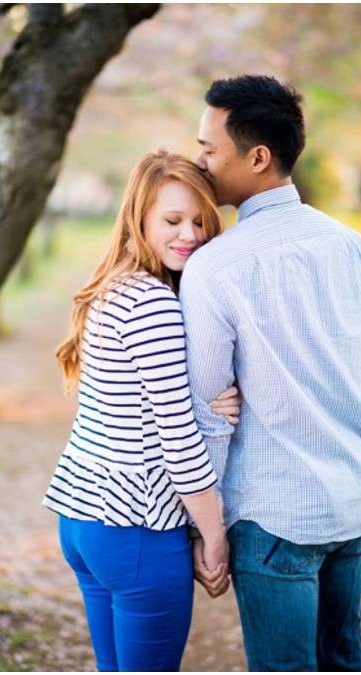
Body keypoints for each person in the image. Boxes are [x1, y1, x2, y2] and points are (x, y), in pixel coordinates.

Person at [178, 75, 361, 671]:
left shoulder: (214, 266)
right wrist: (338, 427)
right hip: (349, 504)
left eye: (209, 148)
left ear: (257, 157)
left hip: (270, 515)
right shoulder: (349, 243)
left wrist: (208, 529)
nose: (198, 160)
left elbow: (207, 405)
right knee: (343, 657)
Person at [43, 149, 242, 671]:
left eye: (200, 221)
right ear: (139, 218)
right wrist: (215, 537)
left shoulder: (115, 287)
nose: (191, 234)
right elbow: (176, 439)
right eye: (172, 221)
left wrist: (211, 400)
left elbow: (139, 406)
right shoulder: (153, 302)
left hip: (83, 518)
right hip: (136, 530)